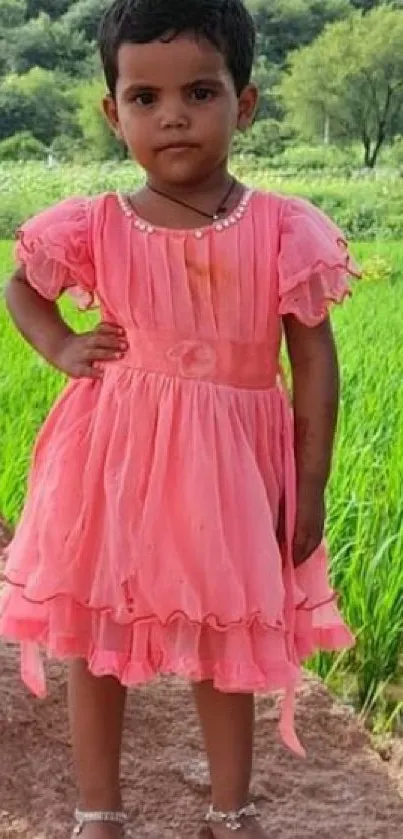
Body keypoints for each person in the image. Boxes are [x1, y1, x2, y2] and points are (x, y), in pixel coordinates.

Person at [0, 1, 360, 837]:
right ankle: (99, 809)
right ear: (111, 110)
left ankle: (228, 808)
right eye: (144, 98)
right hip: (113, 457)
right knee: (95, 631)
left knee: (222, 634)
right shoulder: (93, 223)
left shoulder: (281, 228)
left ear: (247, 102)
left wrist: (309, 482)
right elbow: (23, 284)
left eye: (200, 92)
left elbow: (313, 360)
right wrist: (58, 345)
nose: (172, 116)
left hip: (231, 466)